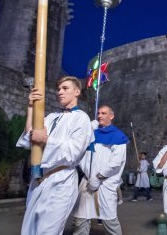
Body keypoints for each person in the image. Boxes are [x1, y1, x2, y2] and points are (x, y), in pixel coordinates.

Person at [16, 76, 92, 235]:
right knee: (30, 230)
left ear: (77, 92)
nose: (59, 92)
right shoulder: (51, 117)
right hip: (38, 180)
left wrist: (45, 139)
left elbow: (74, 151)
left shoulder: (82, 119)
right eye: (58, 89)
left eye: (65, 88)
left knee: (47, 231)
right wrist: (31, 107)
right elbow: (31, 136)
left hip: (61, 181)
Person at [73, 105, 129, 235]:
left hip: (105, 185)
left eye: (104, 113)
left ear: (111, 116)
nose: (99, 116)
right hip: (87, 182)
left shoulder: (118, 136)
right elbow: (80, 153)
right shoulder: (91, 133)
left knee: (110, 222)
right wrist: (86, 131)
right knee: (81, 220)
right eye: (98, 113)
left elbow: (115, 163)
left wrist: (98, 177)